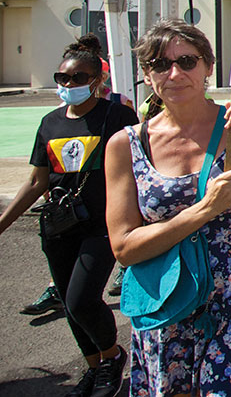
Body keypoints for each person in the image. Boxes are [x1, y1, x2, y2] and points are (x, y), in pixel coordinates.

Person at [104, 19, 231, 396]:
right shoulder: (126, 145)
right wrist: (204, 210)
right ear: (147, 76)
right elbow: (124, 246)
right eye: (159, 64)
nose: (175, 73)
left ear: (208, 67)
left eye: (187, 60)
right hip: (168, 300)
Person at [0, 37, 138, 397]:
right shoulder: (49, 123)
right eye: (62, 78)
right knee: (69, 304)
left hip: (103, 225)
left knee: (81, 299)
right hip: (59, 227)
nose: (68, 85)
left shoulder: (117, 117)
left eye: (78, 78)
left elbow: (139, 167)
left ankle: (111, 358)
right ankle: (93, 369)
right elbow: (36, 181)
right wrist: (3, 222)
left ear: (96, 81)